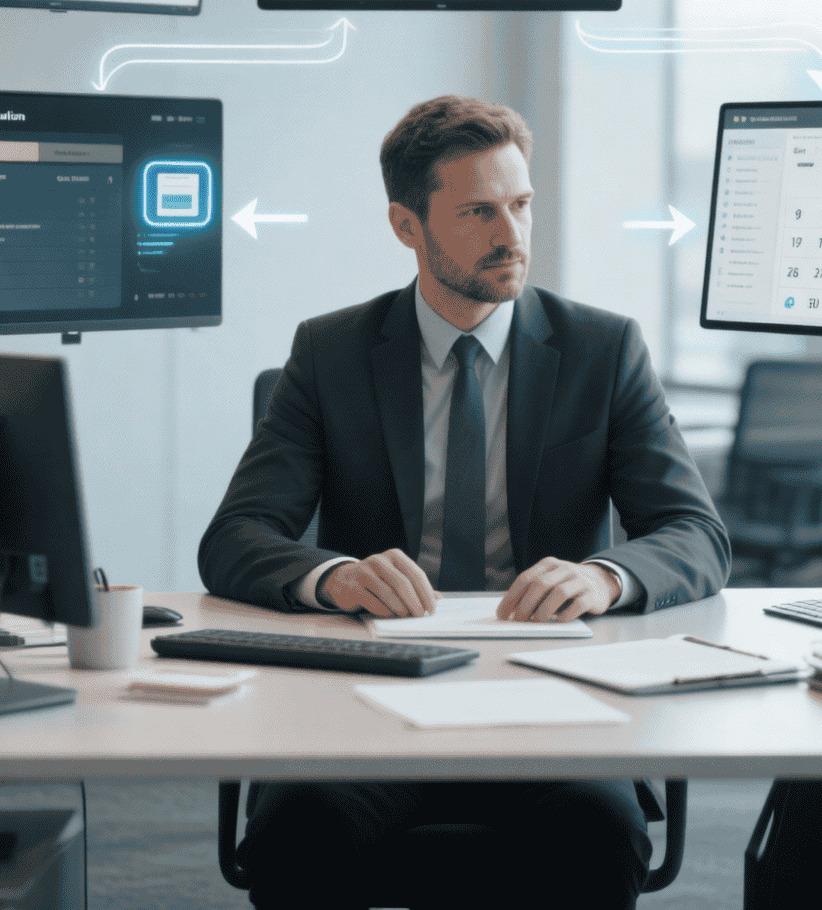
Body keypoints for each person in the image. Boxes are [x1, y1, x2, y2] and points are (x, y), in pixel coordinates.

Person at [199, 94, 732, 910]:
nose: (512, 235)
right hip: (371, 700)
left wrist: (605, 578)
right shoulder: (331, 351)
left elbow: (695, 533)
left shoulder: (603, 348)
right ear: (407, 226)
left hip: (550, 700)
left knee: (599, 836)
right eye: (480, 211)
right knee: (298, 834)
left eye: (520, 205)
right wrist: (334, 576)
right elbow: (236, 536)